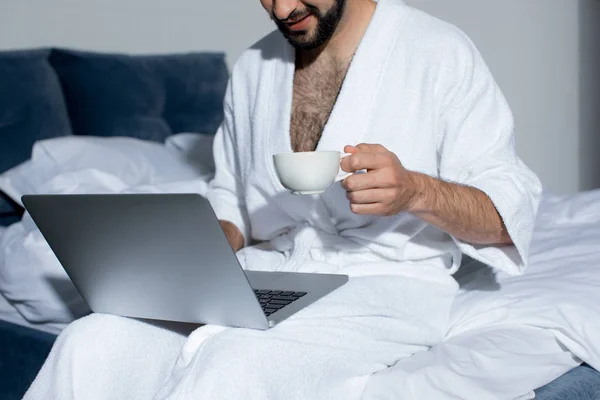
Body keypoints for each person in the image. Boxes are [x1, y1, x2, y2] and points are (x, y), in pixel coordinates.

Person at [24, 0, 542, 399]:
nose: (282, 8)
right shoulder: (255, 65)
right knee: (92, 339)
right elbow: (229, 189)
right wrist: (210, 240)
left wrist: (416, 190)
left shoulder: (437, 51)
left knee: (234, 363)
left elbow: (504, 214)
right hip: (270, 272)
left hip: (388, 282)